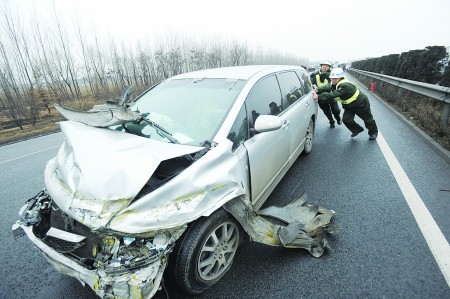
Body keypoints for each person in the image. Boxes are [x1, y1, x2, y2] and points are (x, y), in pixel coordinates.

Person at [313, 67, 378, 140]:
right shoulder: (333, 83)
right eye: (332, 78)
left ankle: (373, 132)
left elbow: (332, 94)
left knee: (367, 119)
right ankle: (357, 129)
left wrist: (318, 96)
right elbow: (326, 87)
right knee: (346, 120)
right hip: (349, 105)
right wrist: (317, 90)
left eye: (335, 78)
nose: (333, 80)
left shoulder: (345, 85)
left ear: (340, 78)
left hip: (360, 103)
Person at [310, 61, 341, 128]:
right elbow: (311, 83)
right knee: (326, 111)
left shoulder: (332, 75)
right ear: (321, 66)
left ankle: (338, 118)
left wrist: (318, 90)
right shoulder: (316, 74)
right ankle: (331, 121)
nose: (325, 67)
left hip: (331, 94)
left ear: (329, 67)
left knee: (336, 110)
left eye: (327, 65)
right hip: (321, 96)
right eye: (323, 65)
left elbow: (330, 85)